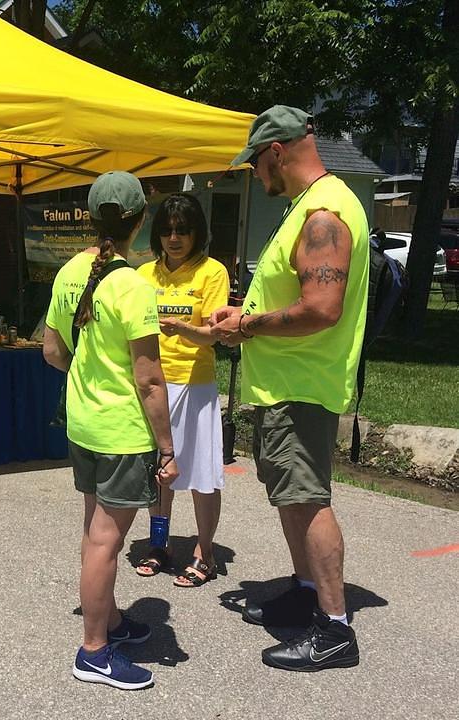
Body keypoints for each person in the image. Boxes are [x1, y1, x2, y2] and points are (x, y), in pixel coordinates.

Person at [210, 106, 368, 671]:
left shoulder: (324, 213)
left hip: (302, 384)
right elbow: (295, 296)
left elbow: (322, 308)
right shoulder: (314, 206)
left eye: (255, 163)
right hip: (286, 383)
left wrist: (247, 326)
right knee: (293, 498)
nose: (255, 174)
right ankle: (306, 592)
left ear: (276, 151)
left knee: (308, 500)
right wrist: (247, 311)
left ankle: (334, 629)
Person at [43, 171, 179, 691]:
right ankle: (94, 651)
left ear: (90, 215)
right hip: (122, 432)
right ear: (140, 222)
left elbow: (52, 351)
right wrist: (167, 446)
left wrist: (89, 374)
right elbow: (148, 380)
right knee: (106, 539)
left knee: (94, 530)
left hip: (82, 423)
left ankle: (112, 620)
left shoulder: (69, 272)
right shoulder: (133, 285)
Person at [135, 193, 229, 587]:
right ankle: (159, 545)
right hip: (153, 383)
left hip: (194, 383)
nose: (174, 238)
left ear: (197, 234)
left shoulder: (212, 272)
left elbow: (217, 334)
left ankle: (204, 554)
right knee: (160, 473)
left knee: (202, 475)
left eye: (183, 231)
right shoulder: (143, 275)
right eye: (168, 231)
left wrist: (186, 330)